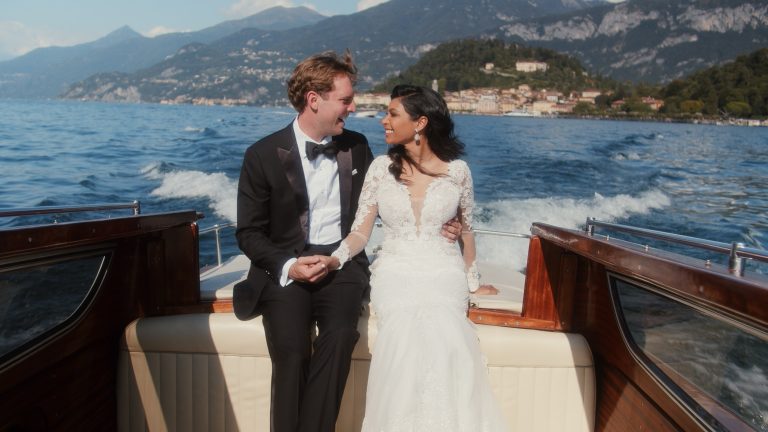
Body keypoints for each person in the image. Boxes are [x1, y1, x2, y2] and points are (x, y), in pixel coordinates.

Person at [233, 52, 462, 431]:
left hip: (341, 265)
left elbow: (391, 201)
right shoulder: (260, 155)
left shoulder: (357, 148)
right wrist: (290, 265)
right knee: (290, 350)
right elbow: (249, 233)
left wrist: (442, 221)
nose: (353, 108)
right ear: (314, 100)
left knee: (340, 336)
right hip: (286, 268)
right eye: (346, 100)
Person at [320, 84, 508, 431]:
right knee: (404, 329)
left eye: (392, 114)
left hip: (443, 268)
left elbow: (466, 231)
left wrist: (472, 282)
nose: (383, 121)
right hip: (394, 267)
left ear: (420, 123)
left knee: (446, 327)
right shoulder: (379, 169)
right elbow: (361, 232)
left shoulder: (458, 172)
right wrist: (336, 258)